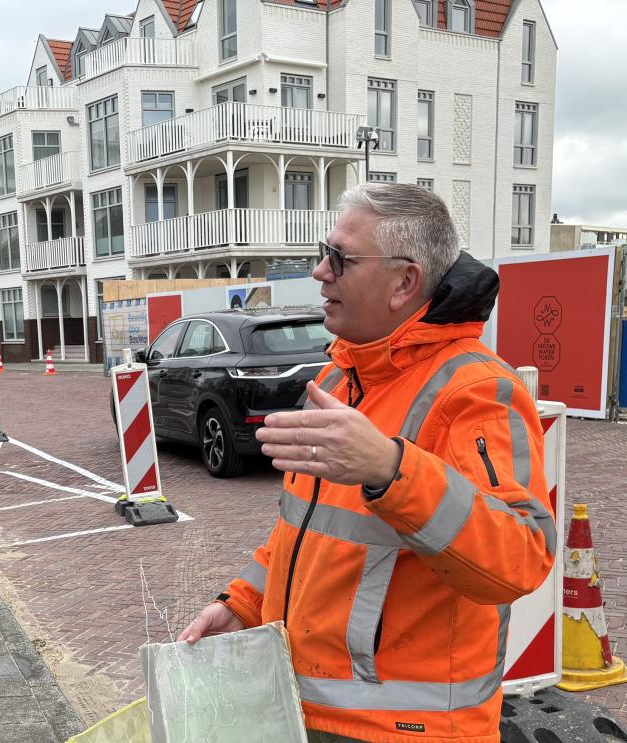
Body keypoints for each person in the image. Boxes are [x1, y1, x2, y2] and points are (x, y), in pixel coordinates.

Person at [179, 184, 556, 742]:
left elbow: (521, 559)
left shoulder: (476, 390)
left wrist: (390, 469)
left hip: (409, 727)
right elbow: (306, 533)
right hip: (309, 712)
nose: (319, 272)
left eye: (340, 258)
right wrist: (245, 604)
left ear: (404, 282)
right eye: (322, 252)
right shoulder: (337, 379)